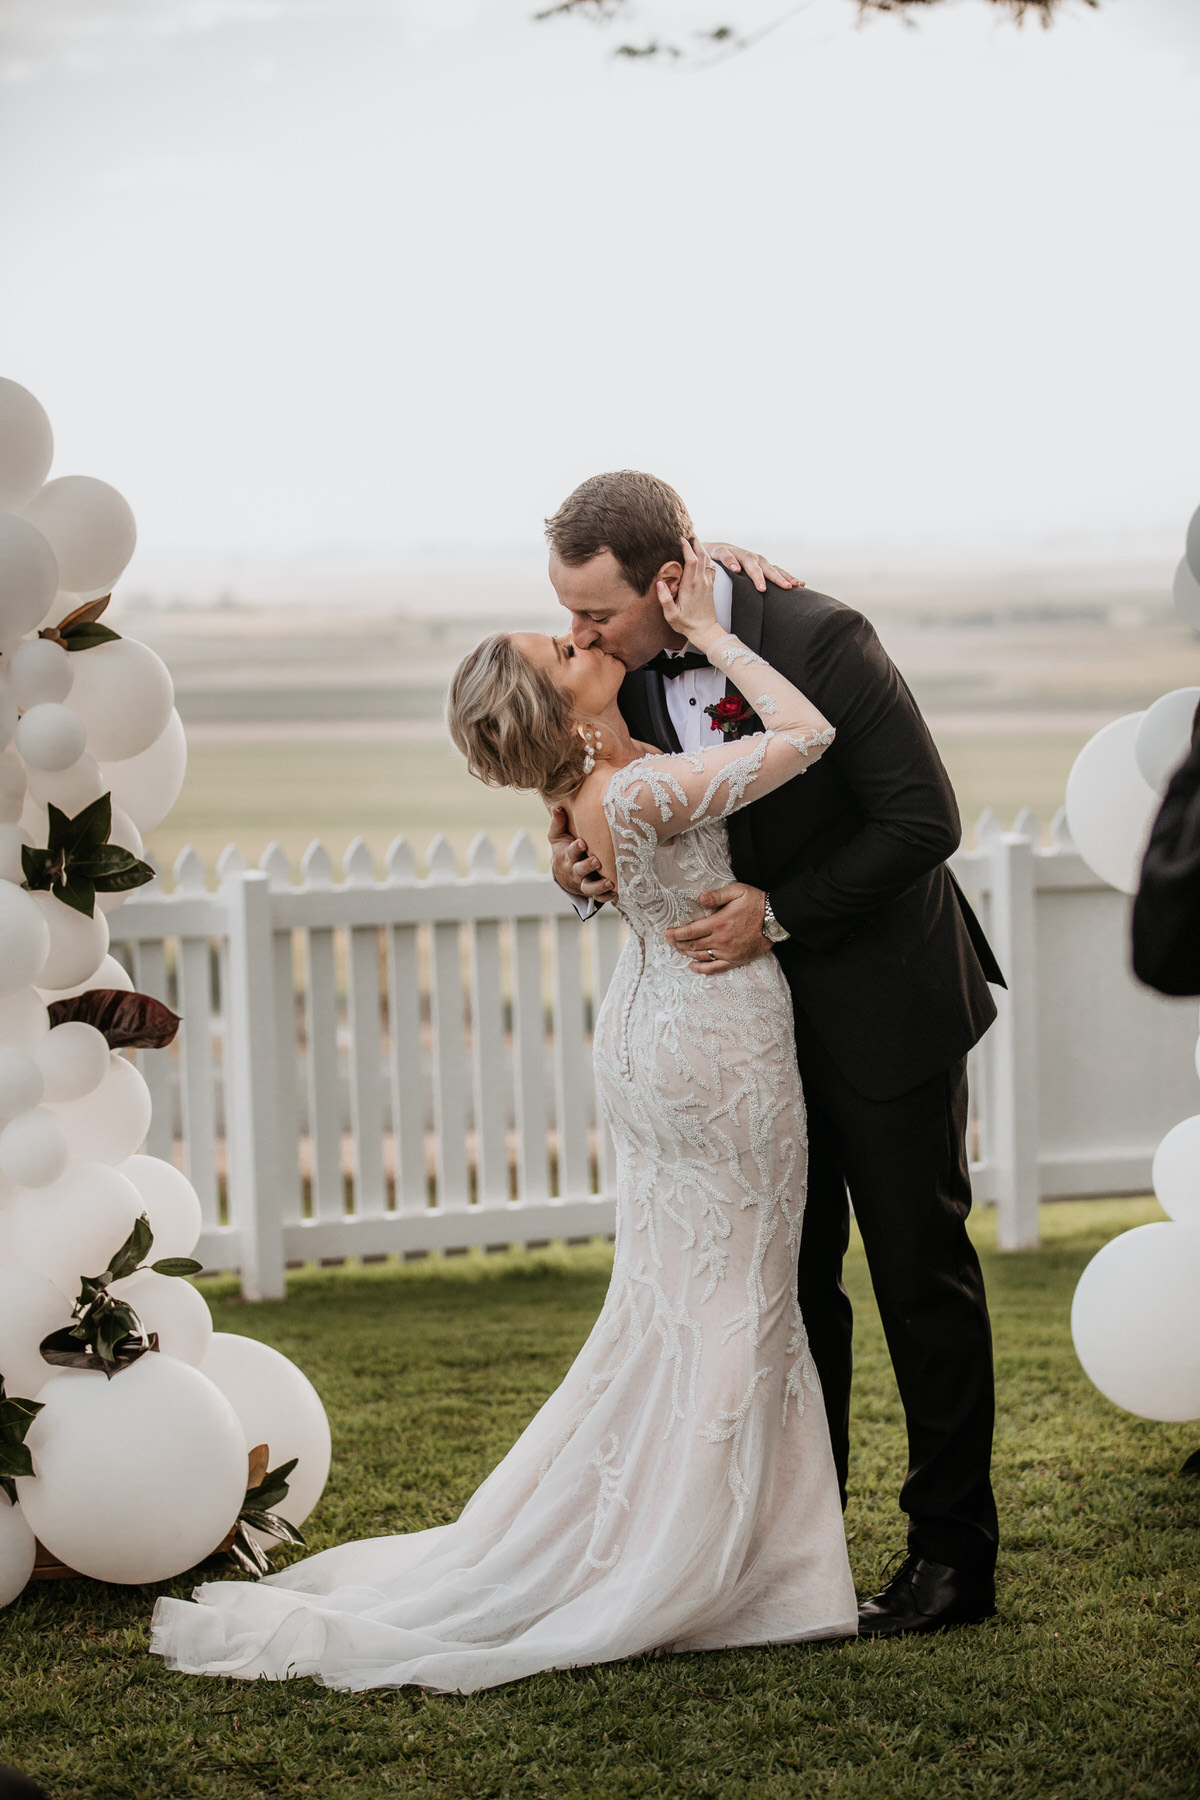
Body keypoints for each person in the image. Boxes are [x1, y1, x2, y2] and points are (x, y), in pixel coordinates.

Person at [149, 540, 858, 1693]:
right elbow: (810, 735)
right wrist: (713, 633)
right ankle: (713, 1559)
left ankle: (721, 1539)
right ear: (558, 709)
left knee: (672, 1298)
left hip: (648, 1034)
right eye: (562, 650)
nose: (581, 639)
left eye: (572, 631)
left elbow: (597, 827)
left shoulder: (584, 789)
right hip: (712, 1043)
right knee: (738, 1294)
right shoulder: (634, 789)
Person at [548, 471, 1004, 1638]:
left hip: (884, 1003)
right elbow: (636, 809)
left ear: (667, 580)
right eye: (568, 612)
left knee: (918, 1276)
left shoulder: (821, 637)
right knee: (790, 1294)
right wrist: (583, 862)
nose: (578, 635)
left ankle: (954, 1558)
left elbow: (923, 819)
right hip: (742, 1034)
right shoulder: (618, 663)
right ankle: (803, 1556)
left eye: (595, 612)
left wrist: (782, 913)